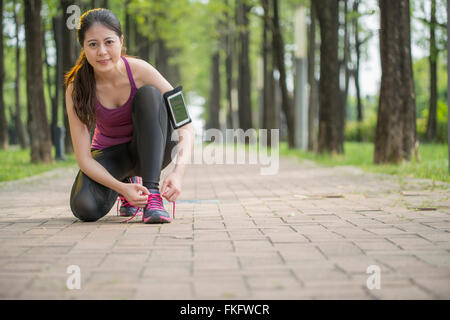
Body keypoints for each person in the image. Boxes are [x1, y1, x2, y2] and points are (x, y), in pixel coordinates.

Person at [64, 8, 194, 224]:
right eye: (93, 44)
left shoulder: (143, 70)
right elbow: (84, 159)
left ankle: (152, 196)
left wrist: (178, 174)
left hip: (154, 150)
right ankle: (130, 186)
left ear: (121, 41)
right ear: (83, 47)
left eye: (109, 42)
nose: (102, 52)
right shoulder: (76, 88)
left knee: (150, 95)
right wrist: (121, 188)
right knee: (84, 207)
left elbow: (186, 126)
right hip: (113, 156)